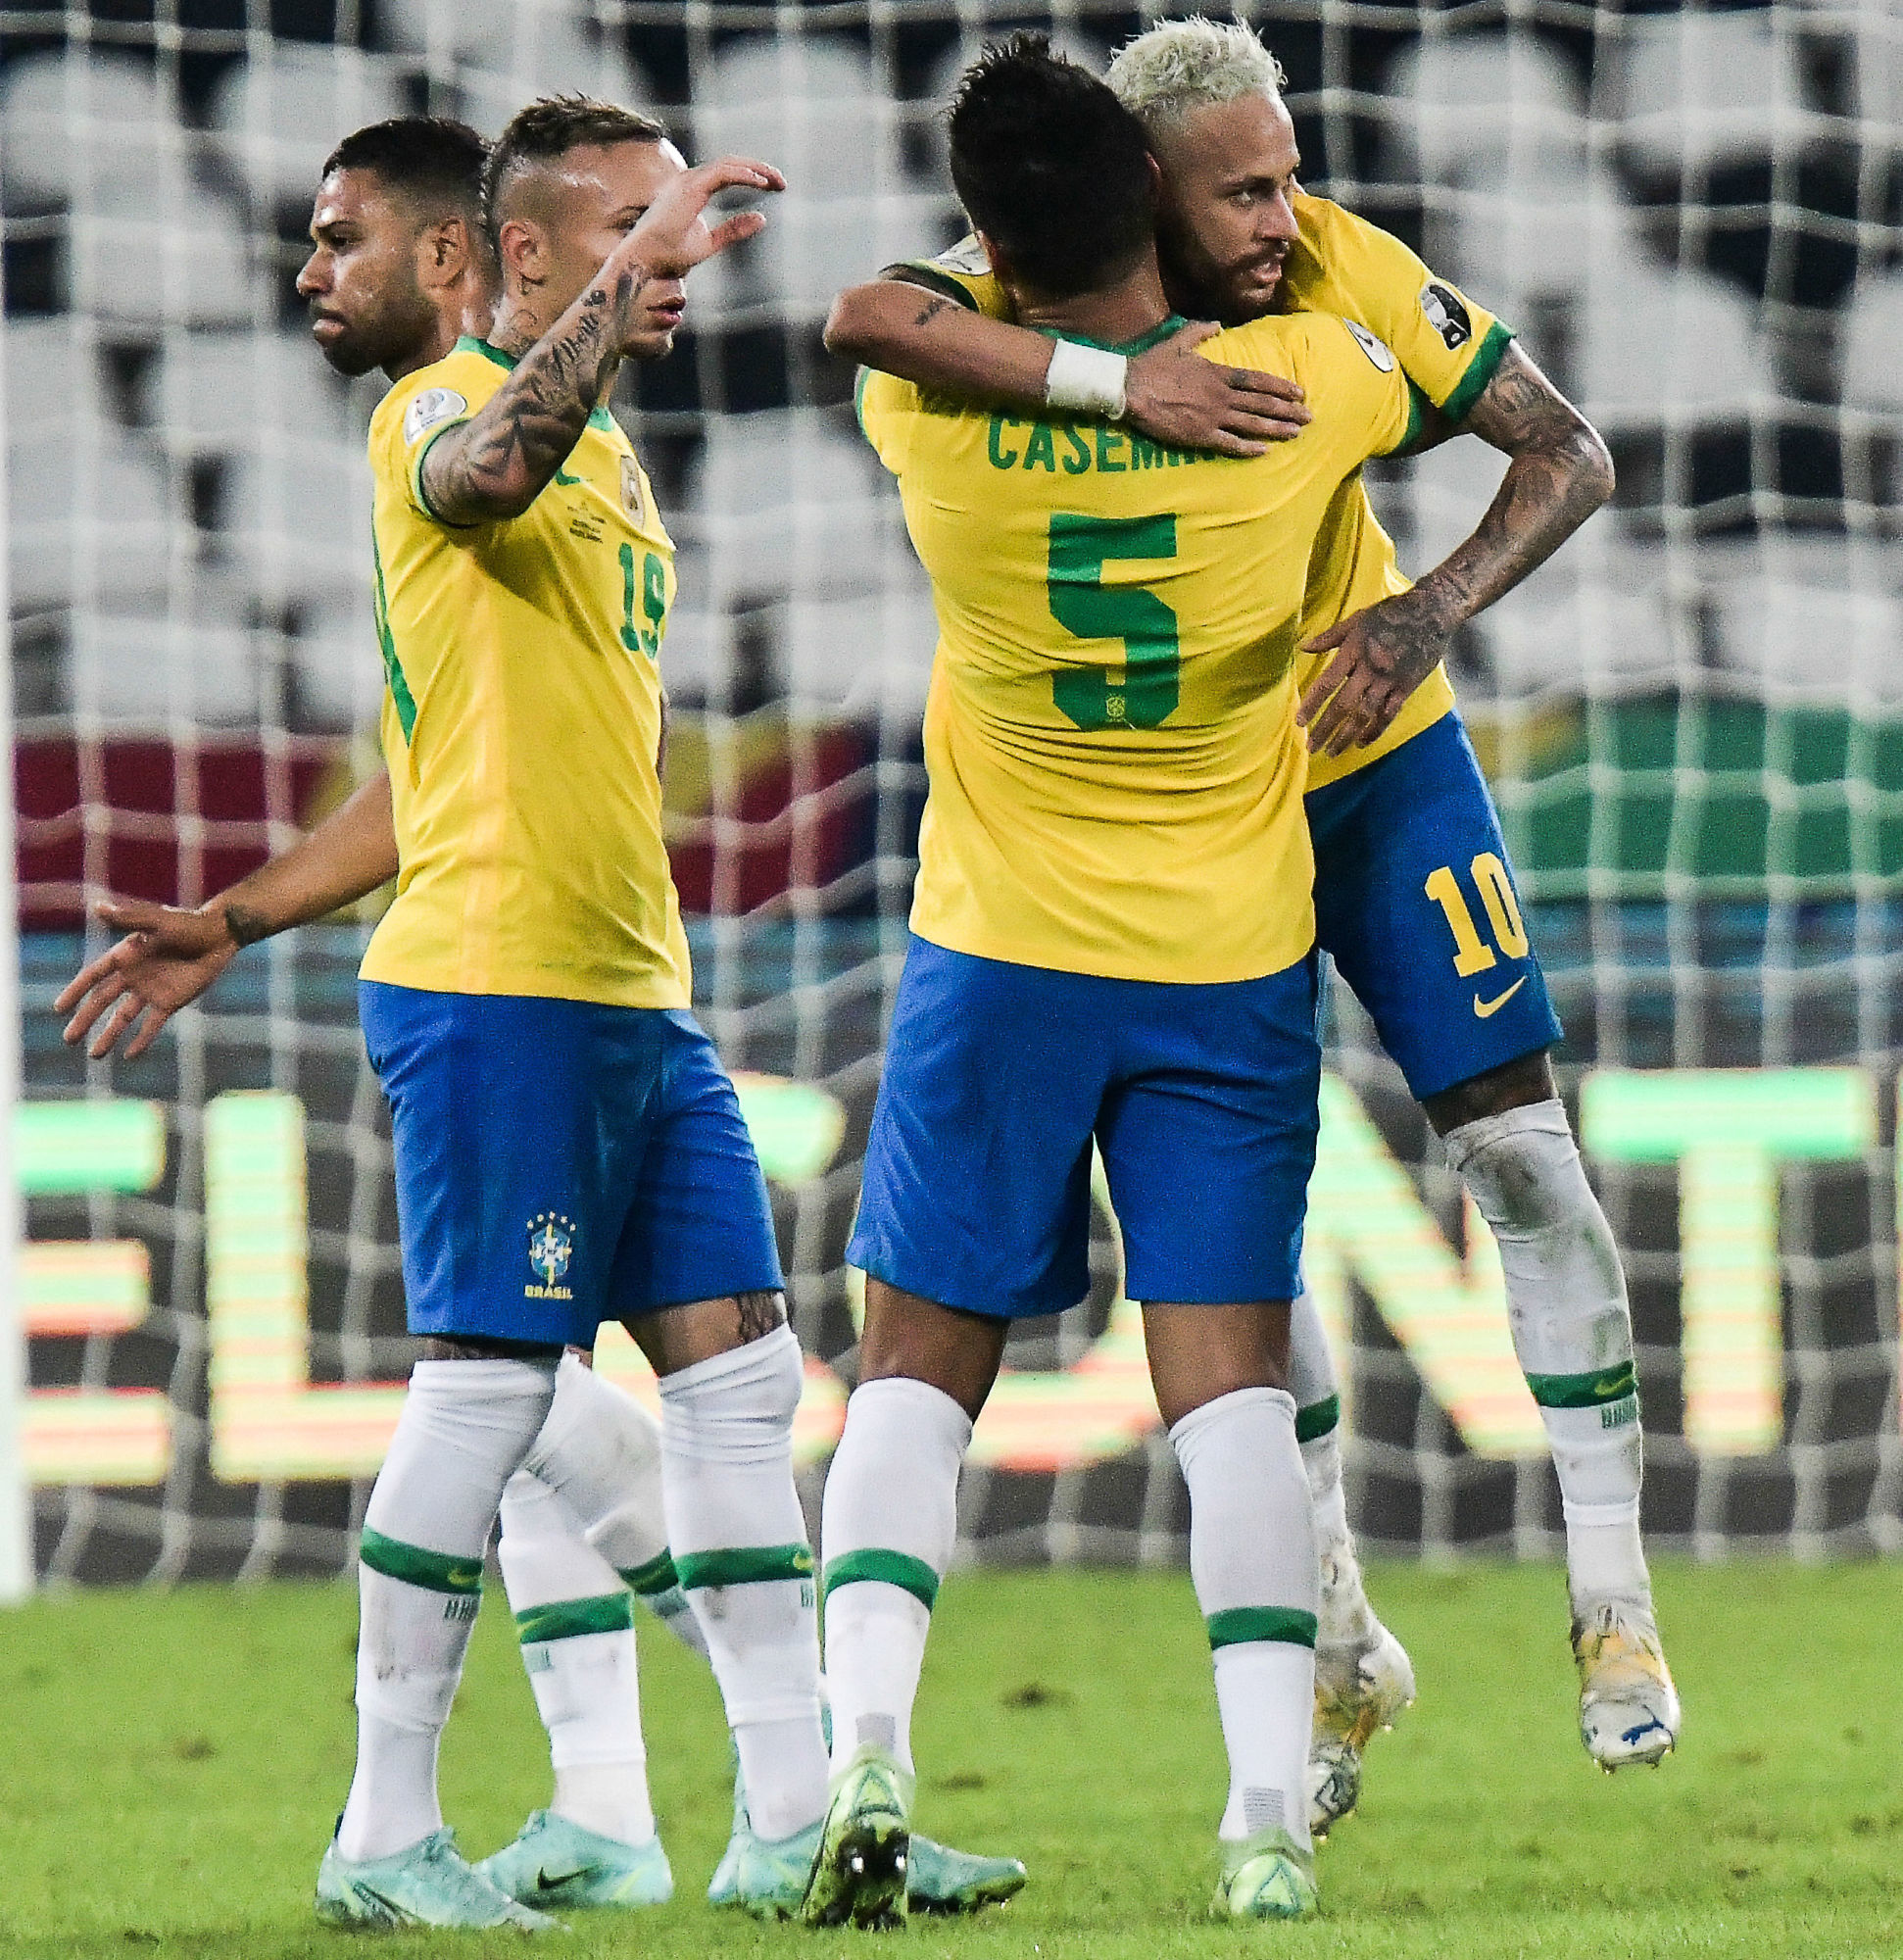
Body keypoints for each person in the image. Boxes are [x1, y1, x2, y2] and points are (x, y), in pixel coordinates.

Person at [56, 112, 1023, 1923]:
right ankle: (382, 1838)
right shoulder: (440, 412)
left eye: (332, 235)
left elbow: (427, 769)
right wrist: (640, 273)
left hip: (631, 999)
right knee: (490, 1389)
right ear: (493, 260)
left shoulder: (614, 465)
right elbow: (490, 465)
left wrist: (242, 912)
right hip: (497, 990)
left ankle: (789, 1821)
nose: (665, 259)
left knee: (740, 1391)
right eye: (624, 230)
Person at [825, 13, 1677, 1813]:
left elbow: (1566, 449)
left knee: (1523, 1156)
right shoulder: (990, 294)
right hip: (1186, 813)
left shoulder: (1340, 271)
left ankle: (1611, 1597)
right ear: (1141, 191)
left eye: (1290, 173)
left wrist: (1417, 612)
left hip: (1373, 753)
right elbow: (875, 311)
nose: (1286, 215)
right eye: (1247, 187)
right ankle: (1339, 1642)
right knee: (1232, 1238)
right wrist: (1113, 385)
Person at [808, 36, 1438, 1927]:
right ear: (1156, 210)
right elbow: (1424, 370)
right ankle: (1260, 1823)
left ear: (995, 252)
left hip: (994, 954)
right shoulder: (1303, 390)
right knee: (1228, 1395)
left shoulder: (922, 419)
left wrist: (1062, 339)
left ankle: (865, 1759)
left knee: (910, 1378)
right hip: (1219, 966)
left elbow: (886, 313)